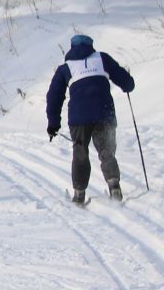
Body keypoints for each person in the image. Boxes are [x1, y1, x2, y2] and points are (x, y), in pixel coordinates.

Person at [45, 34, 137, 205]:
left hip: (79, 117)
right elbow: (126, 82)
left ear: (71, 48)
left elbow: (54, 97)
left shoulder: (65, 68)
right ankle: (114, 185)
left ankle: (79, 194)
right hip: (104, 112)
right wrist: (128, 84)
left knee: (80, 152)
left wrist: (53, 123)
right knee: (106, 150)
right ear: (91, 45)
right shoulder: (102, 58)